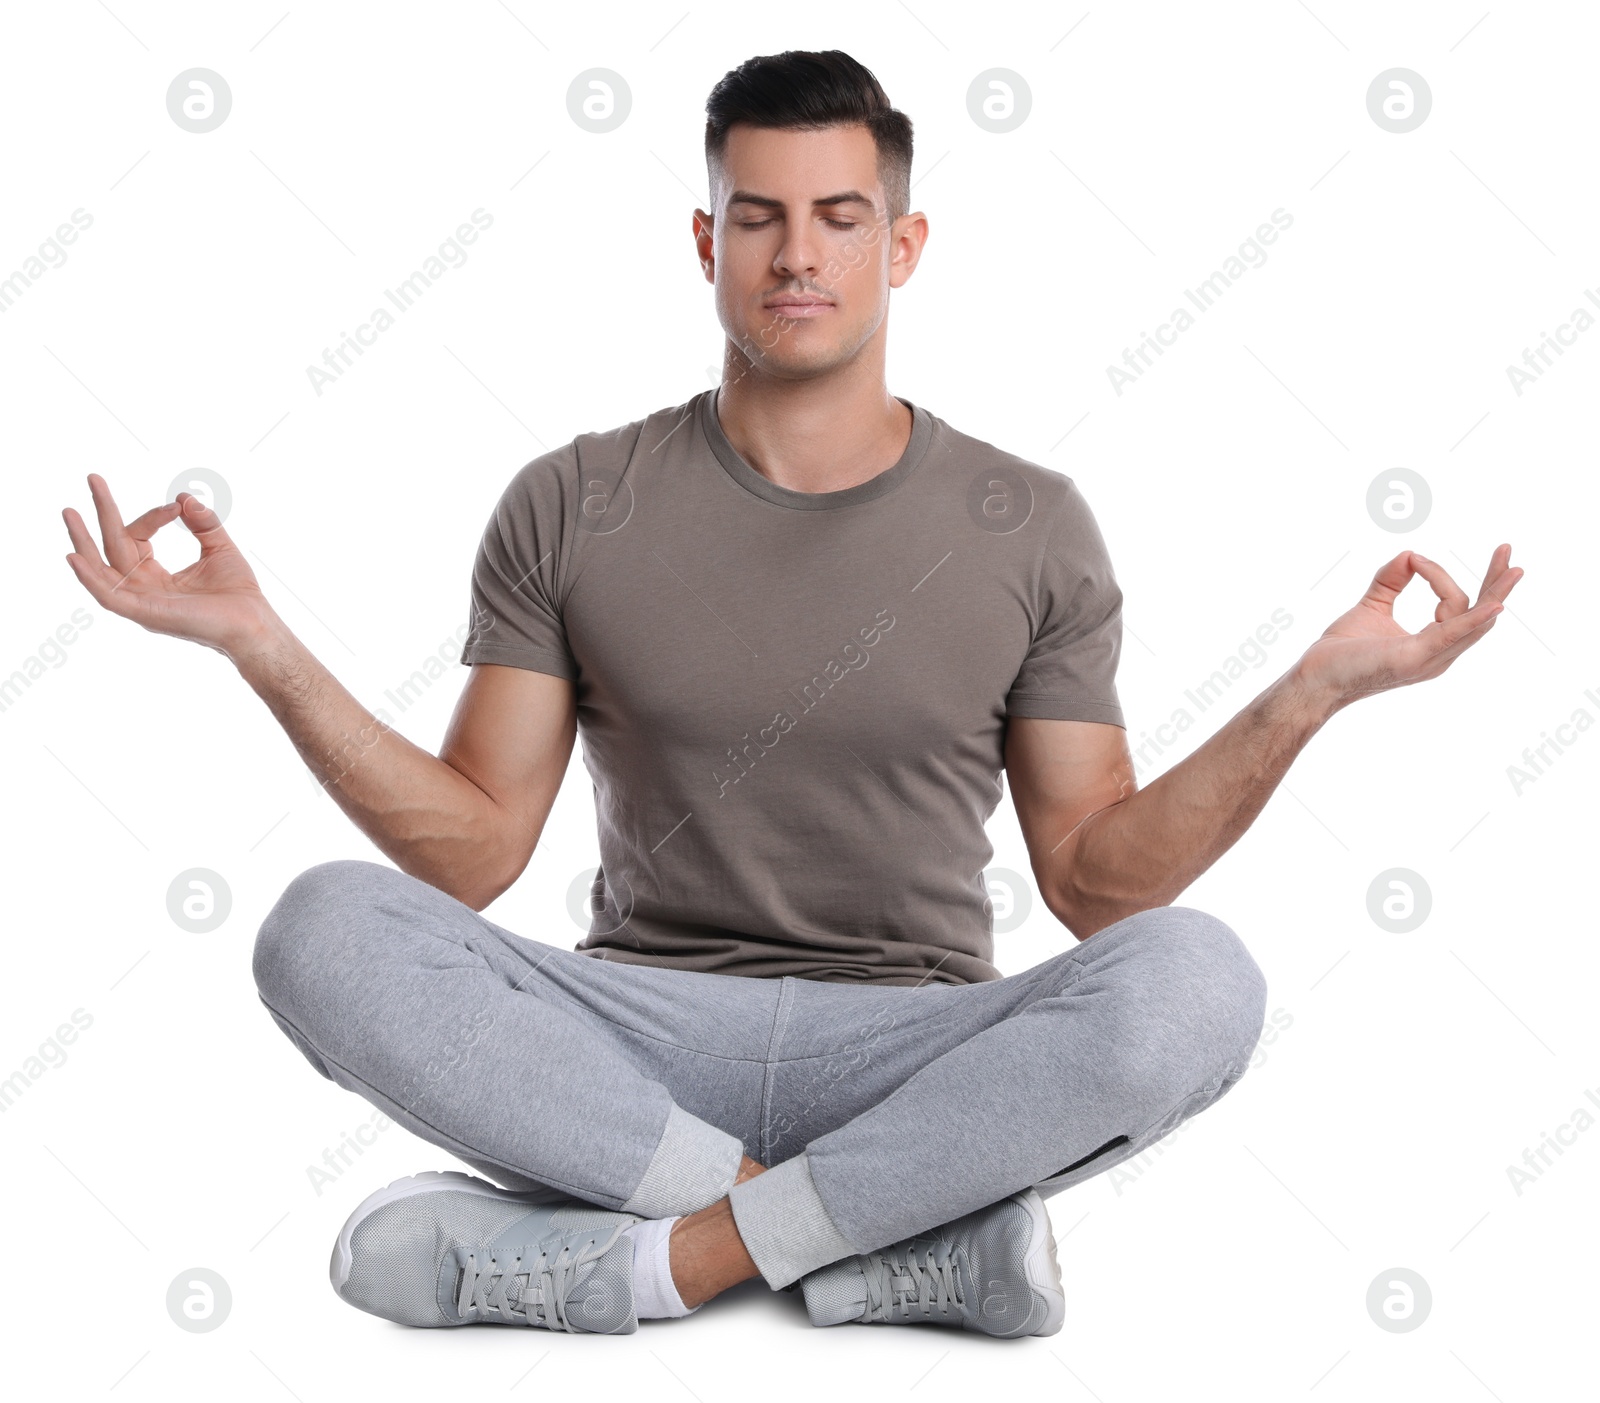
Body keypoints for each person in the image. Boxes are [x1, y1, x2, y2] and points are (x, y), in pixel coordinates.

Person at [61, 49, 1521, 1339]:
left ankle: (647, 1268)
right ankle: (871, 1245)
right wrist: (262, 645)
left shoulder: (1032, 522)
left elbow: (1096, 883)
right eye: (756, 217)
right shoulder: (571, 502)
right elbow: (473, 851)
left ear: (904, 243)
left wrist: (1312, 692)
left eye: (838, 217)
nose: (796, 254)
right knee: (321, 926)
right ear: (707, 241)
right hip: (634, 1042)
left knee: (1202, 979)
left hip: (920, 1050)